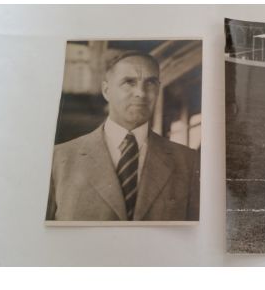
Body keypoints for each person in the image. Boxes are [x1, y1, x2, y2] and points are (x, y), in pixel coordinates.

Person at [46, 50, 200, 222]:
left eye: (150, 83)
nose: (141, 93)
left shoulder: (187, 161)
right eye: (129, 82)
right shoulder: (59, 158)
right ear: (106, 90)